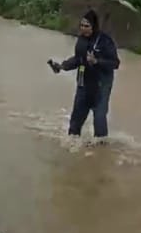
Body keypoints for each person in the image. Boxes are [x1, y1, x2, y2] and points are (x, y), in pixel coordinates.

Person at [49, 10, 120, 140]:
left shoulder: (105, 41)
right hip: (83, 83)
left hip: (101, 85)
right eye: (81, 25)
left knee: (99, 119)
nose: (83, 28)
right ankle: (73, 143)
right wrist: (62, 66)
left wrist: (96, 61)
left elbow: (115, 63)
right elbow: (78, 59)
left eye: (86, 26)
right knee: (76, 119)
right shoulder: (81, 40)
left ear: (94, 26)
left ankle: (101, 147)